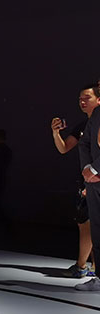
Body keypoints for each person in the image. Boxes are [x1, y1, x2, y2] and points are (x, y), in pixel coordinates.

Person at [51, 84, 99, 278]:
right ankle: (86, 266)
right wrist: (55, 133)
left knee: (90, 224)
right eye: (80, 98)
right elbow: (64, 148)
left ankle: (85, 267)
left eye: (87, 98)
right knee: (86, 222)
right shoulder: (84, 125)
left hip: (94, 178)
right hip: (87, 179)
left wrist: (94, 172)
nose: (82, 102)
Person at [76, 80, 100, 291]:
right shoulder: (97, 115)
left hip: (96, 175)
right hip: (94, 182)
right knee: (97, 228)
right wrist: (87, 168)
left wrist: (96, 169)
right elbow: (84, 143)